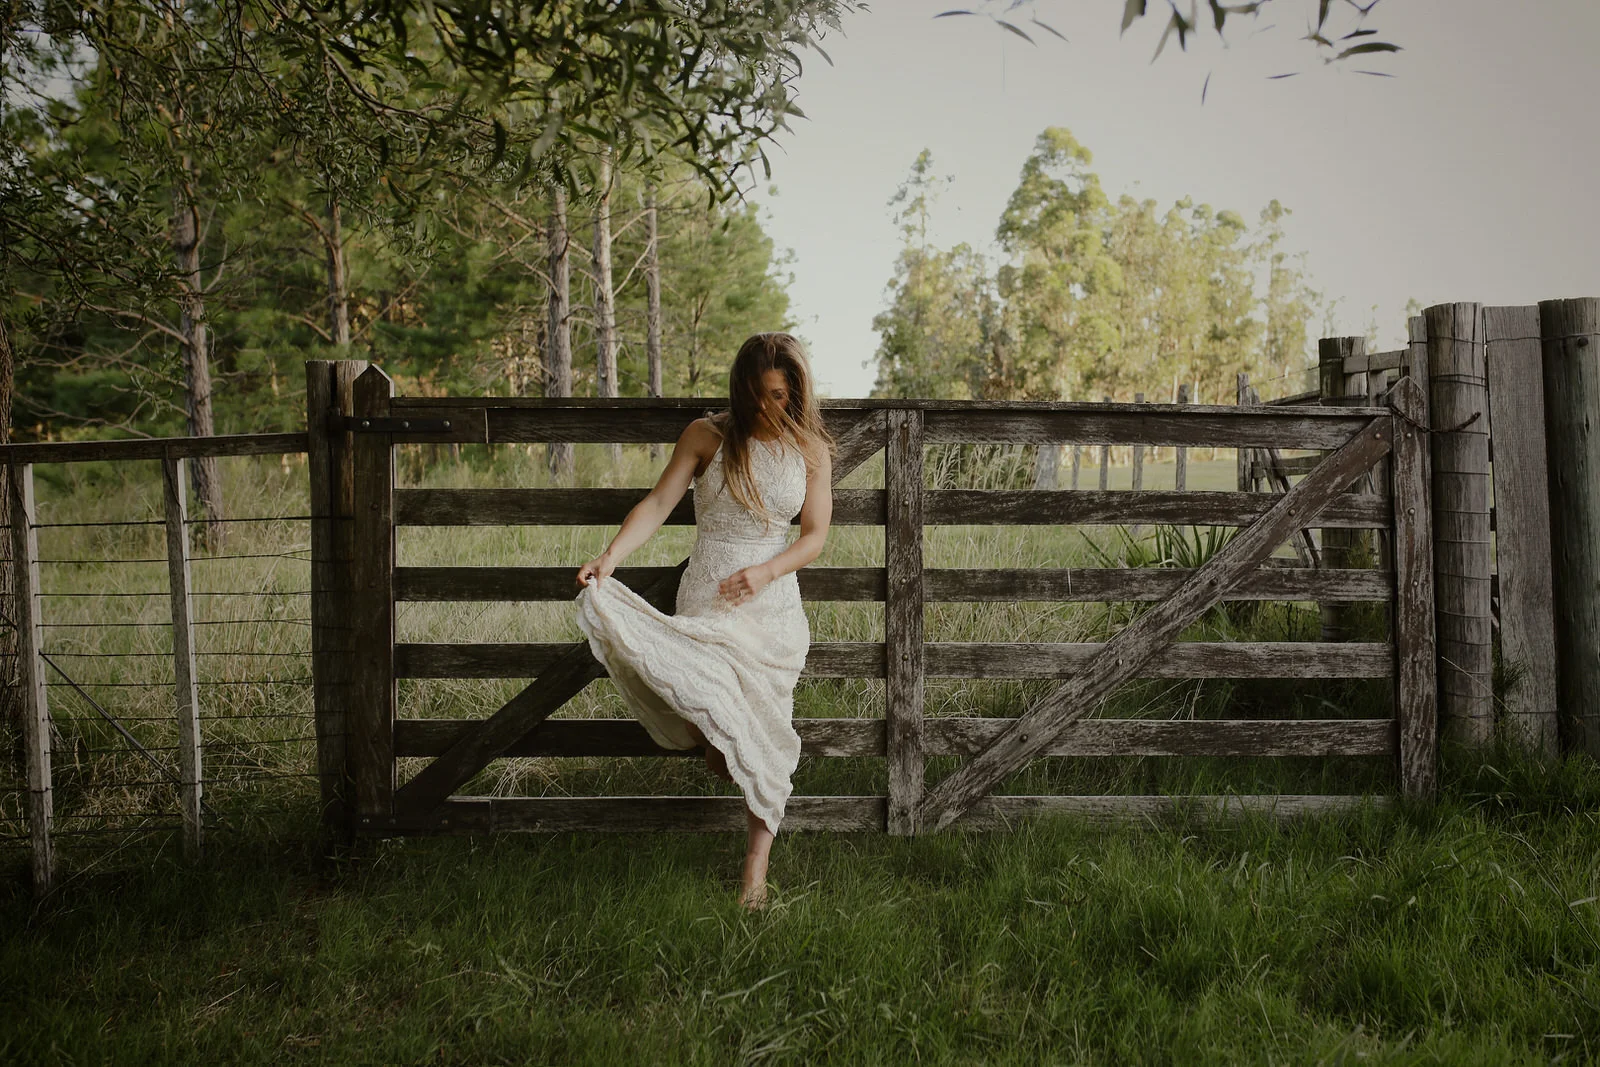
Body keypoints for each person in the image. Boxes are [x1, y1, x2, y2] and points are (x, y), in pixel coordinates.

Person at [574, 332, 834, 910]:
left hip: (771, 606)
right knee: (715, 738)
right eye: (762, 394)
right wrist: (610, 557)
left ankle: (754, 873)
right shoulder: (706, 437)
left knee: (763, 727)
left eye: (783, 395)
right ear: (741, 389)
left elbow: (814, 536)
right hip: (708, 596)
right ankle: (718, 746)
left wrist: (765, 573)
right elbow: (659, 503)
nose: (773, 407)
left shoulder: (810, 449)